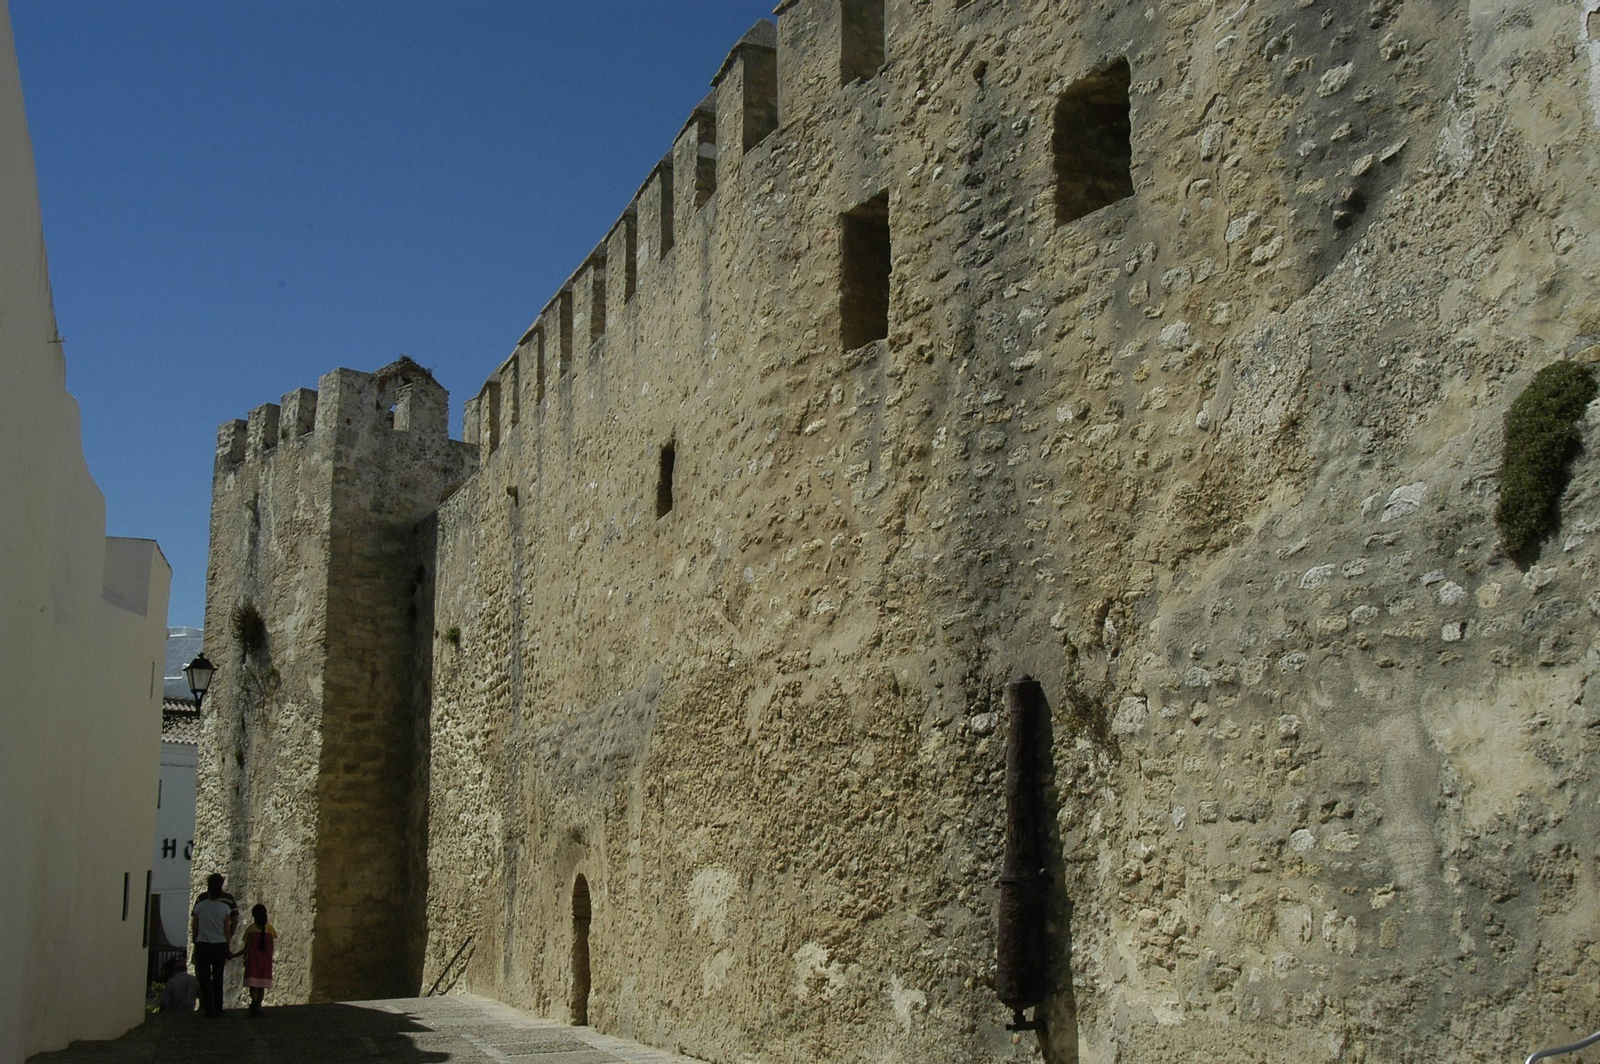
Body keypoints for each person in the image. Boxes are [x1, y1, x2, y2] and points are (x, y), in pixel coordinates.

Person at [190, 872, 237, 1017]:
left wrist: (195, 941)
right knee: (218, 976)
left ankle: (207, 1008)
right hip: (219, 944)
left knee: (204, 978)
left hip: (203, 943)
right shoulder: (226, 905)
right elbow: (228, 928)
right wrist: (227, 943)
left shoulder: (200, 904)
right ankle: (218, 1007)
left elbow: (195, 927)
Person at [237, 903, 276, 1016]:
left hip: (253, 961)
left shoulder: (251, 929)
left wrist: (236, 956)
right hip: (265, 962)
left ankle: (254, 1001)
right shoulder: (270, 929)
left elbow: (247, 948)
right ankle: (258, 1005)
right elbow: (271, 947)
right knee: (261, 986)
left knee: (253, 986)